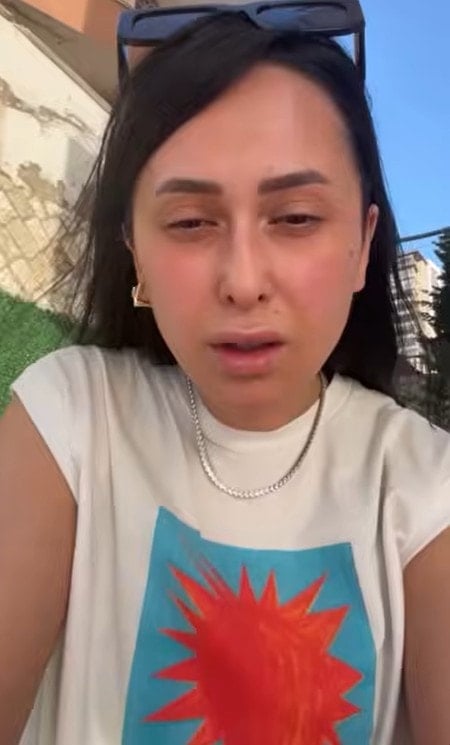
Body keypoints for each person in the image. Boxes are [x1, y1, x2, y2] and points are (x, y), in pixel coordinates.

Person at [1, 2, 449, 744]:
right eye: (190, 222)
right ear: (136, 252)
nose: (242, 282)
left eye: (296, 217)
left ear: (363, 245)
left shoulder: (423, 490)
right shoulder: (69, 421)